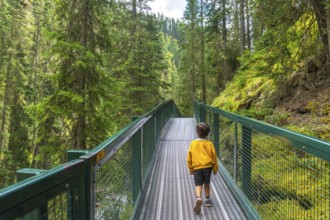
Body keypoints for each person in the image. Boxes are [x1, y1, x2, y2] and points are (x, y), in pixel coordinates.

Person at [186, 122, 218, 215]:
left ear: (197, 132)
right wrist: (215, 168)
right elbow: (214, 156)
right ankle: (207, 200)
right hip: (208, 167)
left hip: (197, 167)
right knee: (207, 183)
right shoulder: (209, 143)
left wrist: (190, 168)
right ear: (207, 133)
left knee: (198, 184)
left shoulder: (193, 143)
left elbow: (189, 157)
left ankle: (198, 197)